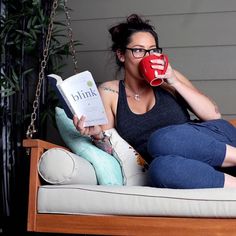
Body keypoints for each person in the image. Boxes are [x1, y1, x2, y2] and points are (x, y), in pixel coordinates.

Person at [73, 13, 236, 189]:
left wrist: (173, 80)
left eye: (153, 50)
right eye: (138, 50)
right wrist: (97, 134)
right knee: (159, 170)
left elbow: (213, 115)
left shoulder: (170, 78)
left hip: (220, 143)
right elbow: (111, 150)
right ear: (121, 54)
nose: (147, 57)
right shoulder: (109, 92)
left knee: (161, 139)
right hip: (192, 167)